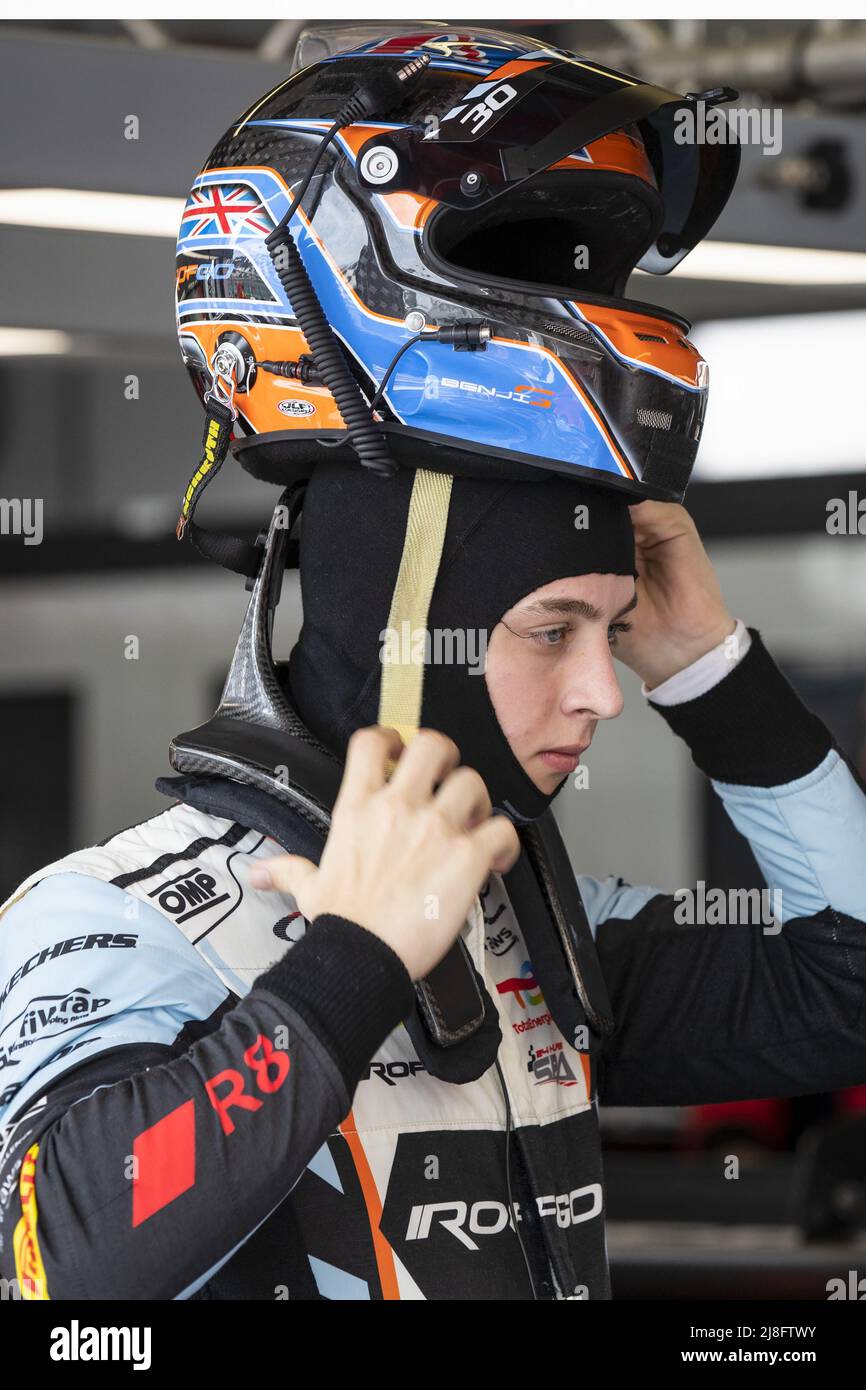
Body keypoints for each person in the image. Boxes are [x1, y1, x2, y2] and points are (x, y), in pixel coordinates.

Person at [3, 27, 866, 1302]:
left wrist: (714, 673)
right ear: (398, 619)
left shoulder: (531, 925)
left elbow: (845, 986)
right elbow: (58, 1261)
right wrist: (353, 956)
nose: (601, 690)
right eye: (548, 629)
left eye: (614, 631)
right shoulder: (108, 920)